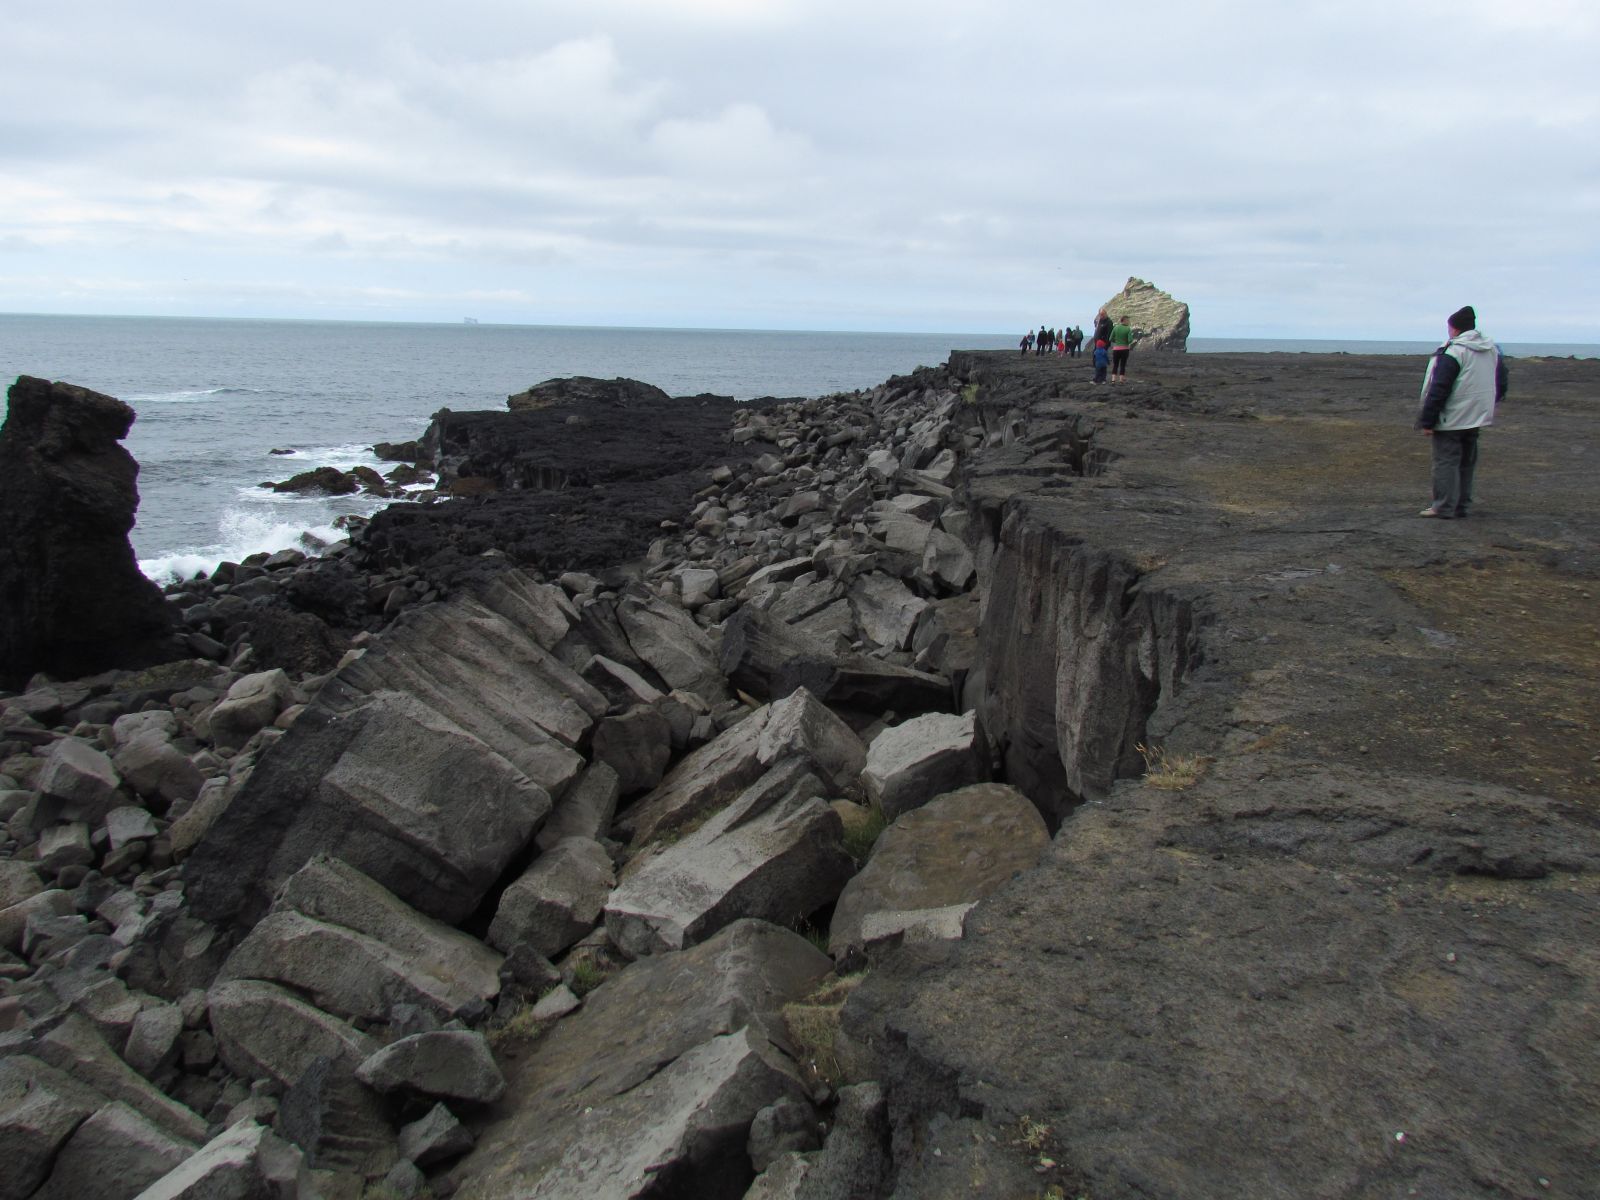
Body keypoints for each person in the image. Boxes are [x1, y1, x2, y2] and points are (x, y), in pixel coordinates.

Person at [1415, 305, 1508, 518]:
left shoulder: (1454, 351)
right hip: (1476, 415)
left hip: (1452, 417)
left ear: (1455, 329)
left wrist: (1427, 420)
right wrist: (1490, 403)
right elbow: (1501, 381)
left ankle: (1444, 506)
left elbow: (1439, 387)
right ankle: (1461, 505)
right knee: (1466, 461)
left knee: (1446, 461)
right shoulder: (1491, 349)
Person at [1109, 314, 1132, 382]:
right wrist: (1126, 342)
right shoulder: (1128, 328)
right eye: (1128, 320)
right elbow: (1130, 340)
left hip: (1116, 349)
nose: (1129, 322)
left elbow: (1110, 338)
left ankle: (1113, 379)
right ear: (1124, 320)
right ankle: (1121, 379)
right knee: (1123, 364)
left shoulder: (1115, 327)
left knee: (1115, 364)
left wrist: (1116, 341)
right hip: (1125, 349)